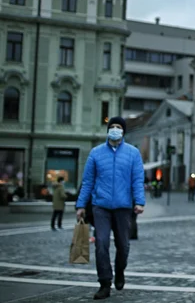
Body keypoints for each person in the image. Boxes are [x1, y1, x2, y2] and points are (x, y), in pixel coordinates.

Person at [76, 117, 145, 300]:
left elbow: (137, 180)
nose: (115, 129)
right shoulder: (96, 153)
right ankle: (105, 283)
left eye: (118, 127)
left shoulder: (133, 153)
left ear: (123, 131)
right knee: (101, 243)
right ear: (108, 130)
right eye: (112, 127)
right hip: (101, 207)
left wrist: (139, 202)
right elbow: (88, 182)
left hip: (123, 207)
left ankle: (120, 271)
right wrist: (81, 205)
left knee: (123, 244)